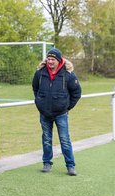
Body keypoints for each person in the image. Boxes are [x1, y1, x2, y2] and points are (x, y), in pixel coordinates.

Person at [32, 48, 81, 176]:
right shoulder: (40, 73)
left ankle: (70, 165)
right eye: (48, 59)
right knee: (46, 139)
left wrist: (67, 107)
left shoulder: (68, 74)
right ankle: (47, 163)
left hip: (61, 114)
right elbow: (35, 88)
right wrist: (40, 102)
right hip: (44, 113)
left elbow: (76, 93)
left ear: (59, 61)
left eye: (53, 59)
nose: (50, 61)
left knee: (65, 140)